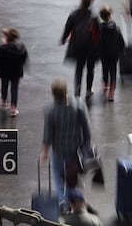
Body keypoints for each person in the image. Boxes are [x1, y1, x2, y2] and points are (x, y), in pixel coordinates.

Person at [40, 79, 92, 213]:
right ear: (66, 91)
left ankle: (62, 200)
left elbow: (47, 134)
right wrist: (86, 146)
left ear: (53, 94)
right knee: (71, 176)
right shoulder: (79, 106)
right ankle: (72, 201)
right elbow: (87, 130)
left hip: (58, 149)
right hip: (74, 149)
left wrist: (45, 152)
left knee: (58, 175)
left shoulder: (50, 111)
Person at [61, 0, 100, 98]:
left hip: (78, 46)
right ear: (91, 2)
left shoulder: (74, 14)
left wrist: (63, 39)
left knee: (79, 69)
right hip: (91, 47)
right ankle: (88, 89)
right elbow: (99, 32)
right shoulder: (94, 15)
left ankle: (77, 90)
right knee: (90, 69)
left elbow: (67, 28)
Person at [0, 27, 28, 117]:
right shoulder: (21, 47)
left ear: (7, 38)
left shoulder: (1, 49)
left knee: (4, 86)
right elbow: (24, 59)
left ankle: (4, 101)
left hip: (4, 72)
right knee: (14, 89)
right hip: (16, 72)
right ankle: (13, 108)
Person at [99, 5, 125, 102]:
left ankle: (105, 84)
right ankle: (111, 93)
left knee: (104, 69)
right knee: (113, 72)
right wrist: (122, 51)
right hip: (114, 55)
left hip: (103, 54)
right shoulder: (116, 28)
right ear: (111, 15)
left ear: (101, 17)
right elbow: (121, 41)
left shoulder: (100, 28)